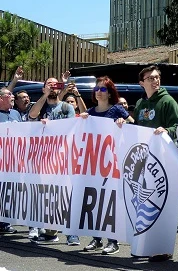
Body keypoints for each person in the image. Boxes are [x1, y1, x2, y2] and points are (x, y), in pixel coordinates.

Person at [117, 65, 178, 262]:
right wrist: (124, 124)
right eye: (150, 78)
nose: (155, 81)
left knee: (160, 203)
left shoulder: (168, 101)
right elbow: (138, 130)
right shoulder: (141, 103)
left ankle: (162, 248)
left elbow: (177, 127)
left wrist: (166, 130)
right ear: (141, 83)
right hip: (144, 161)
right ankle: (144, 245)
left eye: (157, 77)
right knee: (143, 204)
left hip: (162, 161)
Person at [78, 77, 129, 255]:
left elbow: (134, 126)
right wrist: (81, 120)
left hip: (113, 165)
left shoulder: (117, 110)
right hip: (95, 166)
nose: (99, 92)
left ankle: (112, 241)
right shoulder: (90, 113)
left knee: (110, 202)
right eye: (97, 89)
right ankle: (96, 238)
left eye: (103, 89)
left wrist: (124, 123)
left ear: (110, 92)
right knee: (96, 202)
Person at [28, 74, 79, 245]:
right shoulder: (40, 106)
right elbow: (32, 116)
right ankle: (50, 232)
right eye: (48, 85)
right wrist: (44, 96)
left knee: (66, 196)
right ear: (44, 88)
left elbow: (71, 127)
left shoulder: (66, 107)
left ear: (59, 88)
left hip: (63, 159)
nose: (52, 87)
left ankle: (72, 234)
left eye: (55, 85)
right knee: (48, 197)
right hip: (43, 160)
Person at [0, 86, 20, 235]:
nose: (13, 96)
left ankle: (5, 222)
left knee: (8, 193)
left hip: (12, 162)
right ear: (1, 98)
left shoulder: (16, 114)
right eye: (9, 94)